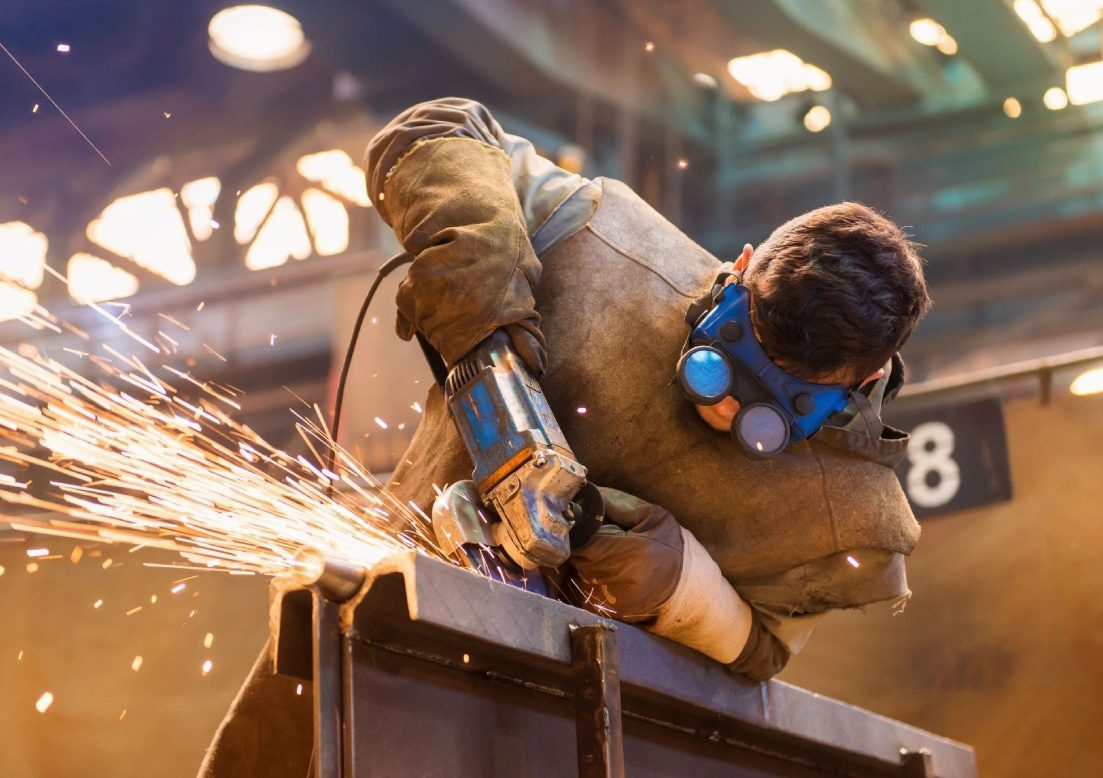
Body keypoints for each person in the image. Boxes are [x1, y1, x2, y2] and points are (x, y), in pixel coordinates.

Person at [199, 96, 930, 777]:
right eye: (725, 355)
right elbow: (439, 127)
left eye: (775, 403)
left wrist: (679, 582)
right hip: (373, 635)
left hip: (563, 736)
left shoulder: (848, 519)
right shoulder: (601, 242)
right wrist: (478, 256)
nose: (725, 403)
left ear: (861, 383)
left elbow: (761, 651)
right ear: (738, 268)